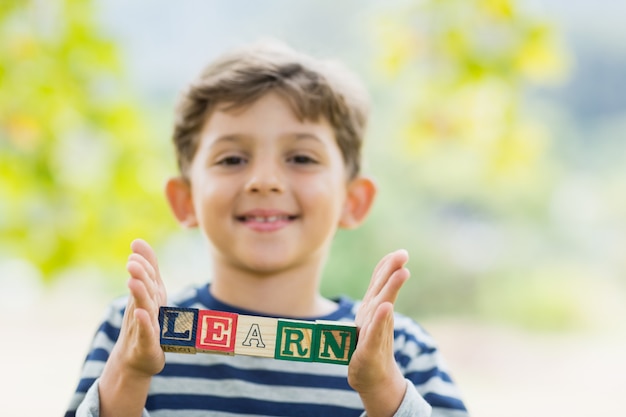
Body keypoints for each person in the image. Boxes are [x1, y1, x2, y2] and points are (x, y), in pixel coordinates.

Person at [65, 40, 469, 417]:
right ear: (185, 200)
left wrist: (384, 392)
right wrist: (129, 376)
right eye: (232, 159)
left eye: (301, 157)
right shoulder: (135, 329)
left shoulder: (400, 350)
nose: (265, 180)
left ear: (353, 200)